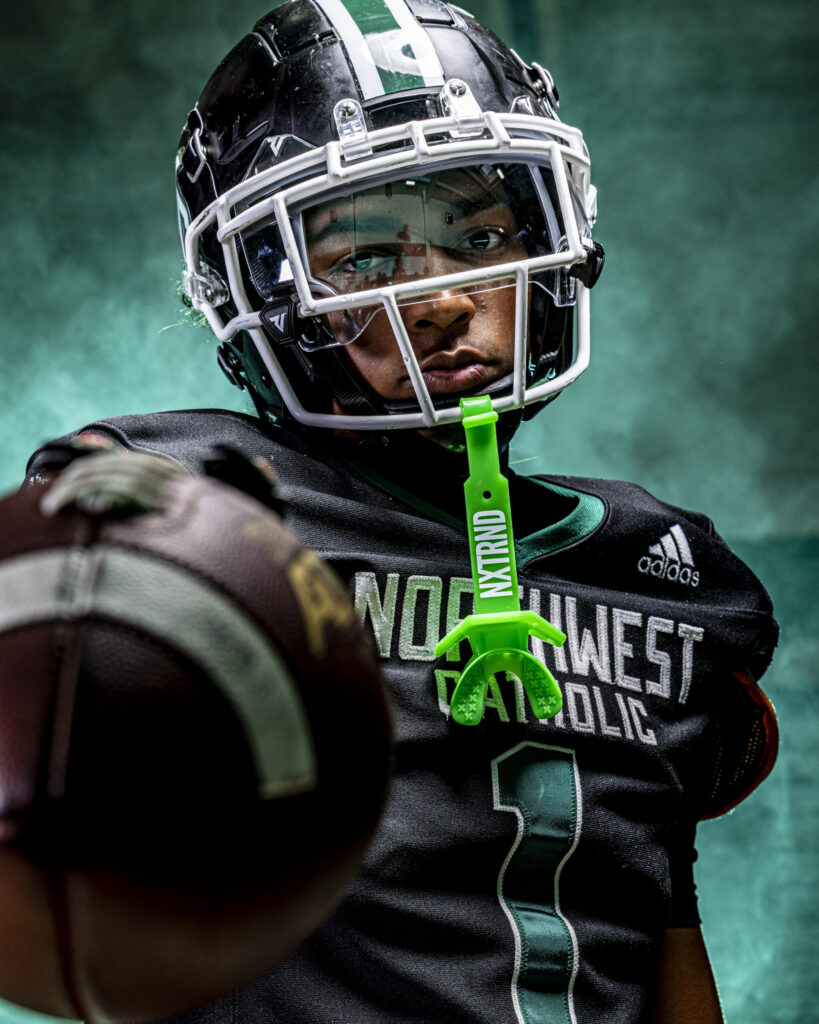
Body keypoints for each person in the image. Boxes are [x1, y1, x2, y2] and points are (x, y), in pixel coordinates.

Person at [26, 1, 779, 1021]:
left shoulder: (669, 571)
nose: (437, 299)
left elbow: (656, 930)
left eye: (478, 235)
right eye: (365, 259)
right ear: (258, 289)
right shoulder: (176, 509)